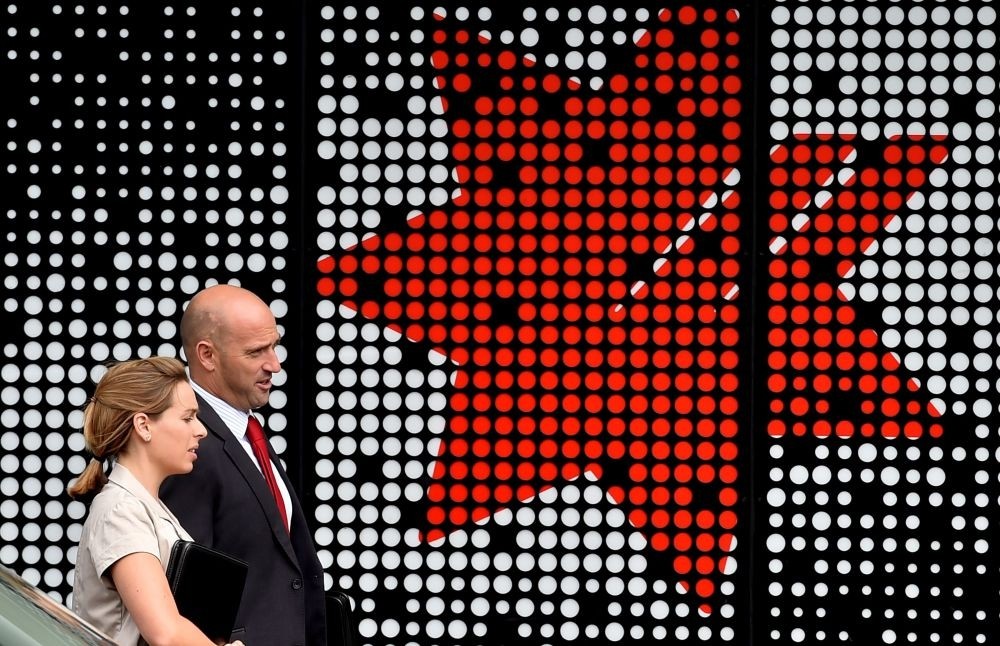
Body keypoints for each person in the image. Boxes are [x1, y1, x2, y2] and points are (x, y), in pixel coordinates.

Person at [160, 284, 327, 645]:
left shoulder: (244, 428)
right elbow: (186, 594)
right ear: (207, 355)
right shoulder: (186, 443)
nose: (275, 365)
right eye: (255, 352)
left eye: (274, 346)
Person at [67, 356, 244, 646]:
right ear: (143, 426)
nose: (200, 430)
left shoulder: (141, 506)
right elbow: (166, 633)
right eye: (187, 417)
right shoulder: (120, 510)